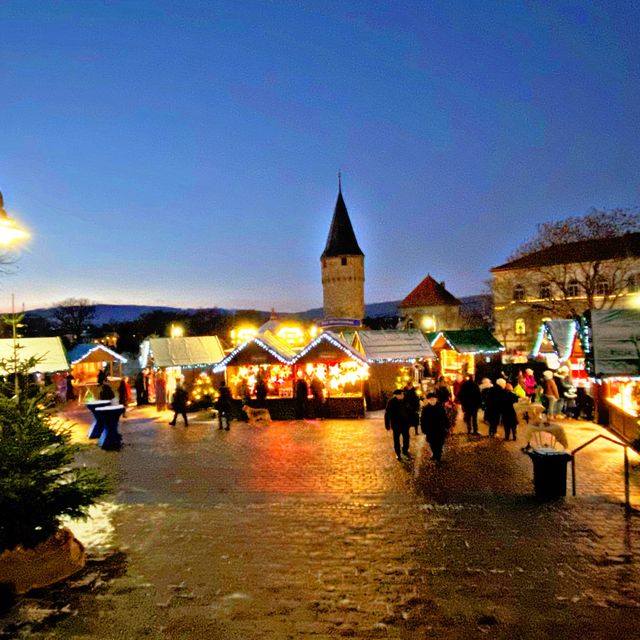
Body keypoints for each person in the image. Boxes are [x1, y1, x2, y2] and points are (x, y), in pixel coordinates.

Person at [420, 392, 450, 462]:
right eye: (430, 400)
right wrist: (423, 428)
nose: (432, 401)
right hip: (430, 430)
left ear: (436, 399)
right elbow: (422, 420)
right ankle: (435, 453)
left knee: (440, 443)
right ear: (428, 400)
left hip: (440, 428)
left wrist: (447, 425)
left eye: (433, 399)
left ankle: (438, 455)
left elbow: (444, 416)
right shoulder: (425, 409)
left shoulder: (440, 407)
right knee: (432, 443)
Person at [384, 388, 411, 461]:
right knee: (396, 440)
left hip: (405, 424)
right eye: (401, 394)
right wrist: (387, 425)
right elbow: (387, 414)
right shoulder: (391, 402)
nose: (403, 395)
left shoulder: (405, 401)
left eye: (403, 394)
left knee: (406, 438)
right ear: (396, 395)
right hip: (396, 424)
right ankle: (398, 453)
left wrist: (411, 421)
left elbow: (410, 411)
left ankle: (405, 450)